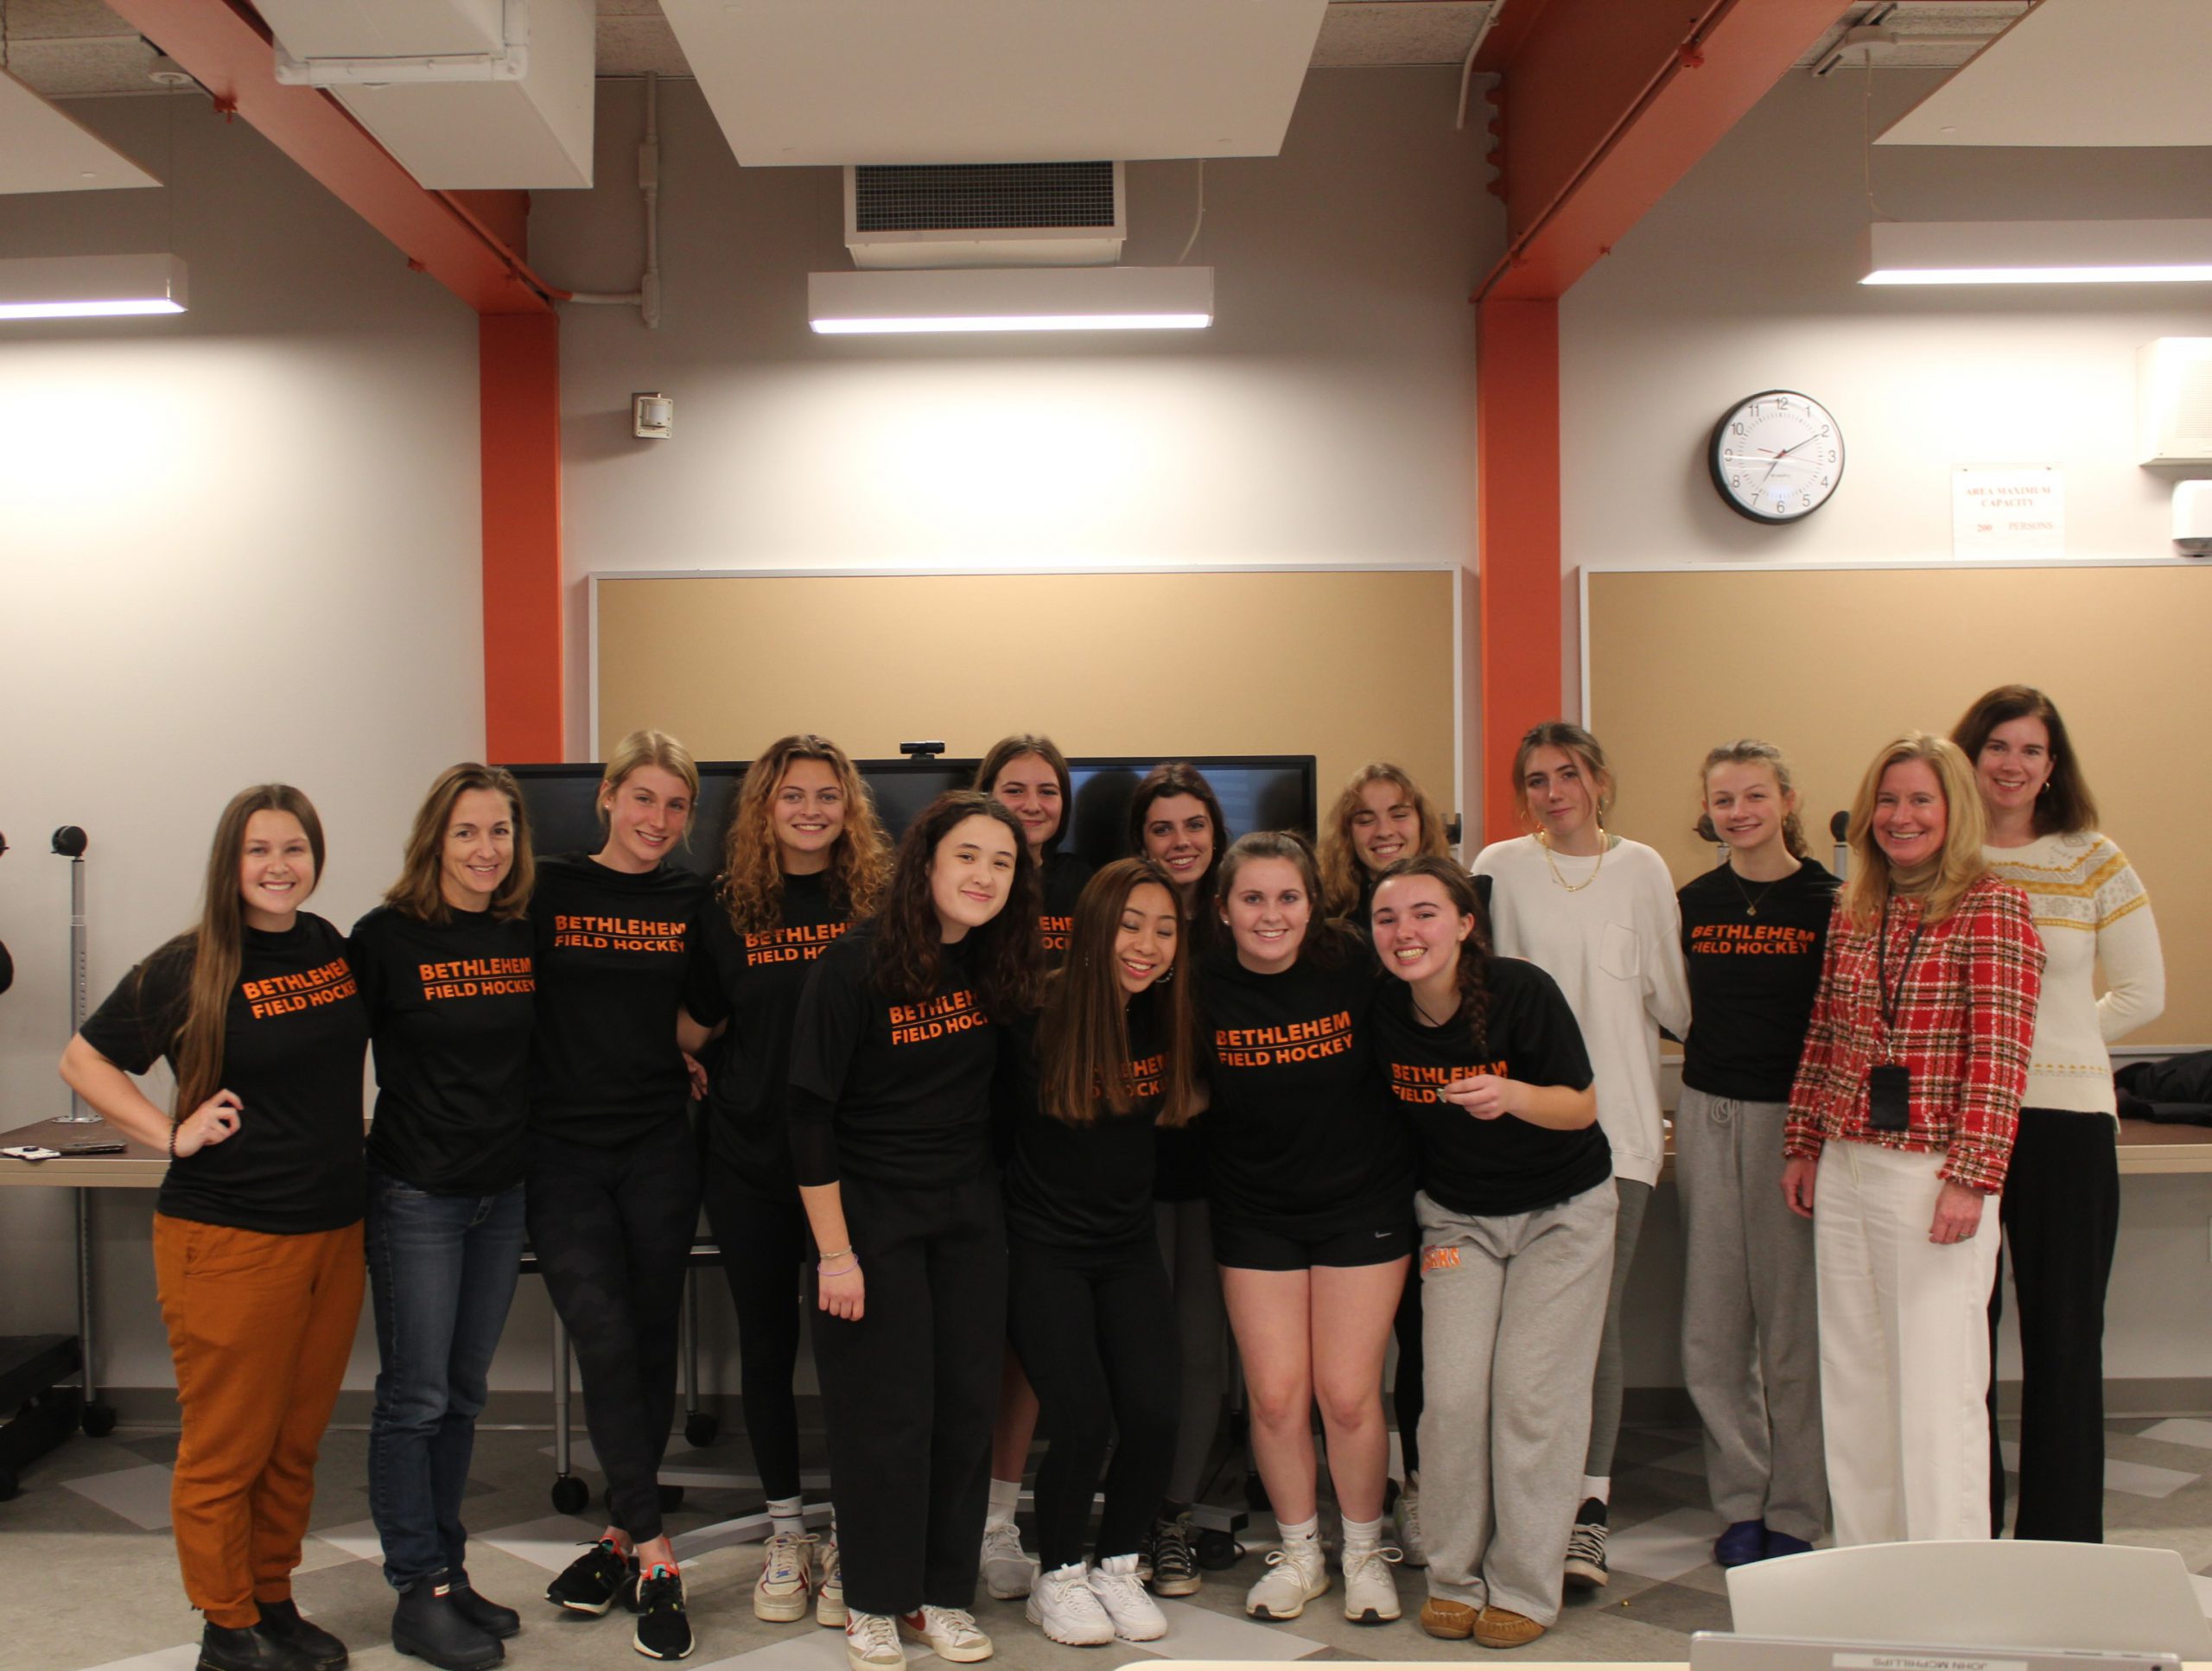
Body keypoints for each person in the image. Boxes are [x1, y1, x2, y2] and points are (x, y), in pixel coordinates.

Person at [60, 785, 367, 1671]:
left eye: (296, 848)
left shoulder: (328, 946)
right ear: (229, 862)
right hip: (229, 1237)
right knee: (227, 1443)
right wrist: (167, 1133)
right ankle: (225, 1625)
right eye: (259, 850)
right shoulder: (193, 962)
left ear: (315, 856)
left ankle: (273, 1595)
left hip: (329, 1232)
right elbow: (85, 1057)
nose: (279, 865)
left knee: (295, 1438)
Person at [788, 791, 1042, 1671]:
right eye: (967, 855)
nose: (983, 875)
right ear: (927, 864)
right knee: (882, 1420)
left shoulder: (995, 964)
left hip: (967, 1218)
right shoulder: (853, 962)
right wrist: (835, 1252)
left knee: (964, 1412)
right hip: (867, 1221)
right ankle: (871, 1599)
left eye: (1002, 862)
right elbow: (808, 1114)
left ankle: (940, 1596)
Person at [1783, 733, 2044, 1546]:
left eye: (1920, 800)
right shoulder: (1856, 907)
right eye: (1887, 801)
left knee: (1937, 1394)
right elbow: (1827, 1032)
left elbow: (2001, 1054)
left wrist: (1973, 1176)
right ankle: (1871, 1572)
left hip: (1933, 1176)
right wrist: (1804, 1141)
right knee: (1856, 1380)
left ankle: (1950, 1587)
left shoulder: (1991, 905)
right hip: (1851, 1163)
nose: (1900, 817)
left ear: (1952, 810)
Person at [1370, 857, 1611, 1653]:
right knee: (1453, 1401)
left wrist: (1510, 1095)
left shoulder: (1520, 990)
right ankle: (1452, 1577)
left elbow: (1581, 1107)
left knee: (1531, 1399)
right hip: (1456, 1223)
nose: (1406, 933)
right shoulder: (1381, 1010)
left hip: (1561, 1215)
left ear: (1467, 924)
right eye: (1388, 918)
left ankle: (1524, 1587)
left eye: (1426, 914)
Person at [1471, 721, 1688, 1588]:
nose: (1551, 789)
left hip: (1620, 1138)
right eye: (1535, 778)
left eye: (1567, 773)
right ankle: (1521, 1506)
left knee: (1590, 1329)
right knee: (1516, 1335)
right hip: (1515, 1136)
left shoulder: (1641, 869)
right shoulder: (1498, 866)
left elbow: (1676, 1001)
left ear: (1599, 780)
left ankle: (1585, 1513)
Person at [681, 736, 892, 1628]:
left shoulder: (879, 901)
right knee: (767, 1347)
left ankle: (854, 1530)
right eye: (792, 795)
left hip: (854, 1170)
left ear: (851, 807)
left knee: (856, 1356)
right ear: (763, 807)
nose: (810, 810)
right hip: (752, 1163)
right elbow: (692, 1026)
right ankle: (783, 1531)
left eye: (827, 796)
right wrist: (689, 1065)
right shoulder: (724, 906)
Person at [1952, 686, 2164, 1541]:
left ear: (2051, 765)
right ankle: (1964, 1528)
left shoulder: (2092, 857)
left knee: (2065, 1341)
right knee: (1961, 1343)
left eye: (2030, 749)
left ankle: (2060, 1541)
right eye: (1996, 745)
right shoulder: (1943, 853)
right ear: (1968, 756)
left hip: (2067, 1123)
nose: (2011, 763)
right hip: (1960, 1126)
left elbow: (2145, 992)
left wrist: (2048, 1045)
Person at [1199, 830, 1414, 1626]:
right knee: (1278, 1394)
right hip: (1255, 1212)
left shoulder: (1355, 963)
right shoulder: (1200, 985)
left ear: (1312, 904)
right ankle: (1299, 1554)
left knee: (1350, 1395)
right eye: (1252, 898)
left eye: (1287, 897)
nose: (1270, 914)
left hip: (1362, 1204)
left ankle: (1362, 1554)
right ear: (1222, 910)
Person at [351, 766, 539, 1670]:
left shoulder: (520, 928)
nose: (485, 849)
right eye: (467, 831)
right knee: (415, 1397)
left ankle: (448, 1568)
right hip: (416, 1195)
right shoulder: (384, 938)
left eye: (499, 830)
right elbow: (320, 1049)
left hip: (501, 1194)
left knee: (464, 1394)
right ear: (435, 838)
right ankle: (415, 1587)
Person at [531, 730, 711, 1661]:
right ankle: (655, 1552)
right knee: (600, 1334)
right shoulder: (548, 888)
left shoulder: (693, 897)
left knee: (645, 1339)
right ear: (606, 797)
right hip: (561, 1151)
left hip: (654, 1147)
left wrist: (693, 1049)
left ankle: (616, 1536)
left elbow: (714, 1002)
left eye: (675, 805)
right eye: (642, 797)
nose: (658, 819)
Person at [1003, 859, 1201, 1647]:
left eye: (1164, 929)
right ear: (1093, 925)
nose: (1147, 945)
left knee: (1157, 1412)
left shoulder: (1165, 1016)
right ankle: (1057, 1579)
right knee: (1081, 1419)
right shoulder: (1032, 1013)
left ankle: (1117, 1564)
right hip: (1041, 1248)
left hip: (1125, 1247)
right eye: (1130, 924)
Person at [1674, 741, 1836, 1568]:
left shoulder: (1830, 900)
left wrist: (1809, 1138)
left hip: (1795, 1130)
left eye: (1754, 795)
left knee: (1791, 1335)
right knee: (1711, 1331)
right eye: (1724, 799)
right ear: (1708, 809)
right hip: (1706, 1115)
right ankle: (1740, 1500)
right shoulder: (1693, 901)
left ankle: (1800, 1506)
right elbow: (1673, 1007)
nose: (1739, 812)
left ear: (1786, 798)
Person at [1316, 761, 1452, 1566]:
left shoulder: (1459, 910)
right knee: (1349, 1364)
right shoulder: (1331, 929)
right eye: (1364, 818)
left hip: (1440, 1161)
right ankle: (1357, 1500)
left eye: (1398, 812)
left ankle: (1427, 1493)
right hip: (1357, 1166)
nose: (1382, 829)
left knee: (1428, 1343)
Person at [973, 733, 1095, 1598]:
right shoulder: (971, 880)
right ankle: (984, 1521)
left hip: (1073, 1148)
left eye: (1046, 789)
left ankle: (1018, 1512)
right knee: (992, 1345)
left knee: (1043, 1350)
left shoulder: (1092, 887)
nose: (1031, 802)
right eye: (1012, 787)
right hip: (977, 1136)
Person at [1124, 762, 1234, 1596]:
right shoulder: (1122, 932)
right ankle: (1125, 1515)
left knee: (1201, 1350)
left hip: (1226, 1171)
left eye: (1193, 825)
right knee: (1137, 1348)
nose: (1179, 842)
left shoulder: (1246, 924)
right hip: (1131, 1170)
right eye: (1162, 828)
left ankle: (1173, 1515)